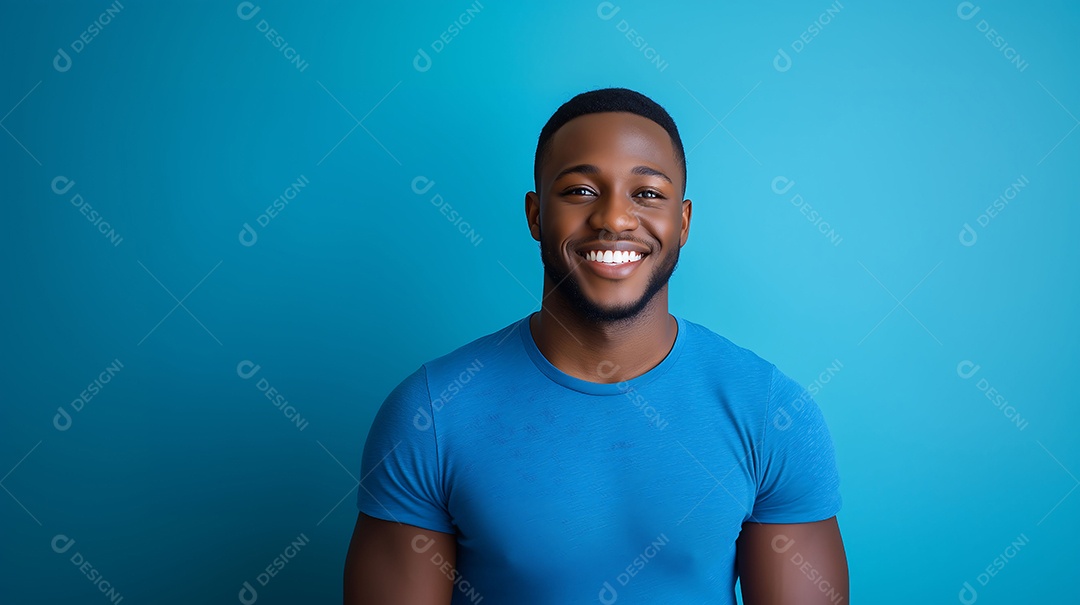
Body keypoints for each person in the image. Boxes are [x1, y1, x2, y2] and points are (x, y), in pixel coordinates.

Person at [343, 87, 847, 604]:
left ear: (684, 222)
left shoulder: (769, 412)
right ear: (536, 216)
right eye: (581, 191)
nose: (614, 218)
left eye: (647, 193)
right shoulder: (430, 413)